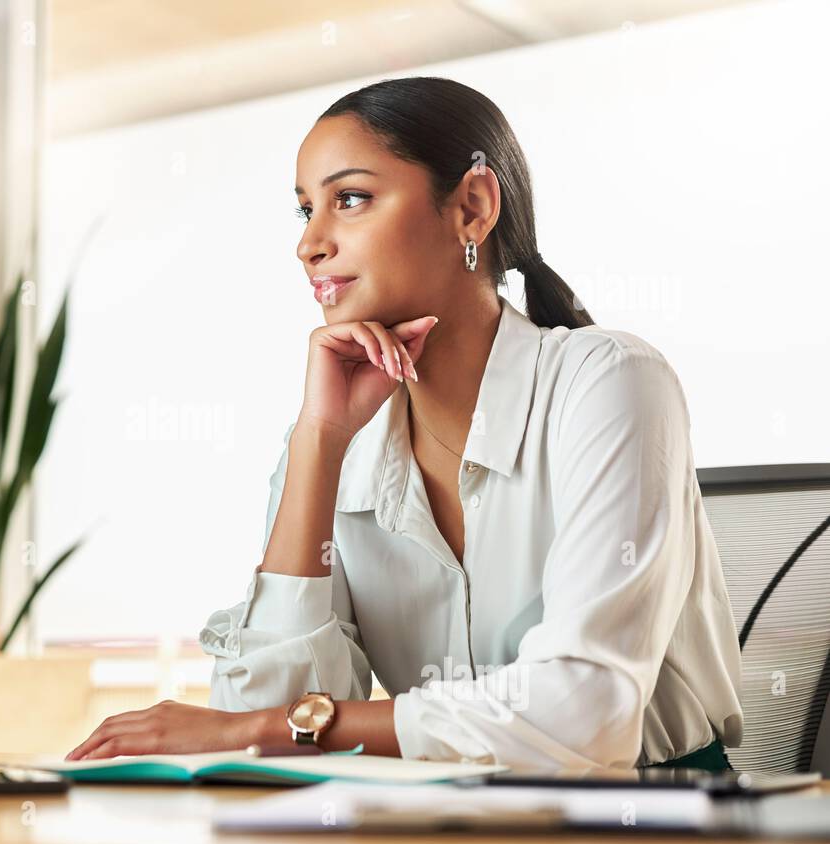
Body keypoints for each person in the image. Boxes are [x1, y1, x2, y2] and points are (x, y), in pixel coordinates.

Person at [65, 76, 742, 772]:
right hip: (446, 822)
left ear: (472, 208)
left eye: (350, 199)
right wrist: (318, 443)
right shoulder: (339, 440)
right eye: (305, 211)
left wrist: (283, 727)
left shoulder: (609, 382)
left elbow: (585, 714)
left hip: (658, 825)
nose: (310, 245)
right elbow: (254, 736)